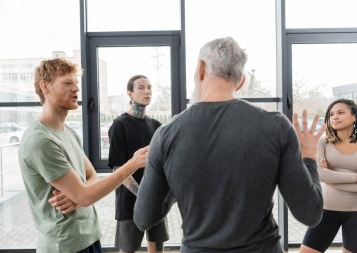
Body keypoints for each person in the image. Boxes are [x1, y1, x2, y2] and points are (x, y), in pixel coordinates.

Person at [133, 37, 325, 253]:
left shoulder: (166, 135)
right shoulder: (276, 127)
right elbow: (310, 213)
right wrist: (308, 157)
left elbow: (143, 218)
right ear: (241, 81)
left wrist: (174, 179)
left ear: (200, 68)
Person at [18, 58, 148, 253]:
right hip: (64, 245)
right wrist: (132, 165)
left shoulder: (68, 132)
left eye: (76, 83)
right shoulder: (40, 141)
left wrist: (78, 195)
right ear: (45, 87)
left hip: (89, 237)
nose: (76, 89)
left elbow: (91, 176)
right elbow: (86, 197)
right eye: (67, 83)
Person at [108, 75, 169, 253]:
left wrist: (157, 195)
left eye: (149, 87)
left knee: (157, 246)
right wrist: (142, 194)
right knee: (128, 249)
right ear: (130, 93)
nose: (147, 91)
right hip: (128, 201)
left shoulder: (156, 125)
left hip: (156, 199)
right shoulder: (120, 125)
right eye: (141, 87)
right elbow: (118, 168)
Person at [299, 98, 357, 253]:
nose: (335, 117)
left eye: (341, 112)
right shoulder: (323, 142)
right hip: (326, 210)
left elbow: (327, 176)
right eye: (331, 114)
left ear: (354, 117)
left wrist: (333, 176)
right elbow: (321, 174)